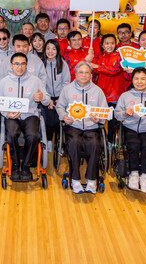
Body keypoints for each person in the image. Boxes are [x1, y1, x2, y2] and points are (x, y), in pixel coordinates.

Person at [56, 62, 107, 194]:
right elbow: (60, 106)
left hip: (91, 126)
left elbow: (104, 111)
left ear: (91, 75)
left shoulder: (98, 91)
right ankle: (75, 179)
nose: (83, 75)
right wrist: (64, 116)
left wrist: (100, 119)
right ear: (76, 74)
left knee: (95, 143)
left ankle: (91, 180)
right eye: (81, 72)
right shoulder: (67, 89)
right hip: (73, 126)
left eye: (86, 73)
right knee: (74, 143)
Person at [0, 53, 51, 181]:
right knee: (11, 134)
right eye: (16, 64)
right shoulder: (4, 82)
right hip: (12, 116)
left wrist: (42, 98)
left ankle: (26, 167)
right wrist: (6, 113)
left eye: (23, 64)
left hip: (30, 115)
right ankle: (15, 166)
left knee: (34, 136)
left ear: (27, 65)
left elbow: (47, 100)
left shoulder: (35, 81)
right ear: (11, 65)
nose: (20, 67)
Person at [114, 67, 146, 193]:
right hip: (130, 127)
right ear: (132, 80)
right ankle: (134, 173)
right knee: (134, 144)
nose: (139, 81)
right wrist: (125, 113)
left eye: (143, 78)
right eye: (136, 78)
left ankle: (145, 176)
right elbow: (117, 115)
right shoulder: (125, 96)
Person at [91, 34, 125, 144]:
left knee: (112, 122)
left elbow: (113, 71)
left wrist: (97, 67)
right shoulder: (99, 57)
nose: (109, 45)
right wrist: (89, 60)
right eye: (107, 43)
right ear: (102, 45)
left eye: (112, 43)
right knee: (98, 120)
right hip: (101, 94)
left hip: (115, 94)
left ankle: (110, 142)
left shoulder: (120, 57)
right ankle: (99, 141)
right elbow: (92, 70)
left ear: (116, 44)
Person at [41, 40, 71, 149]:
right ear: (45, 50)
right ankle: (49, 140)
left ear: (57, 51)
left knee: (60, 120)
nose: (50, 51)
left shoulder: (62, 63)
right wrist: (48, 100)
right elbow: (40, 84)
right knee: (50, 121)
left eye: (53, 49)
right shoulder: (41, 64)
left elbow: (66, 82)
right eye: (48, 48)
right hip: (47, 98)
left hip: (61, 97)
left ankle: (60, 141)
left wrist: (61, 99)